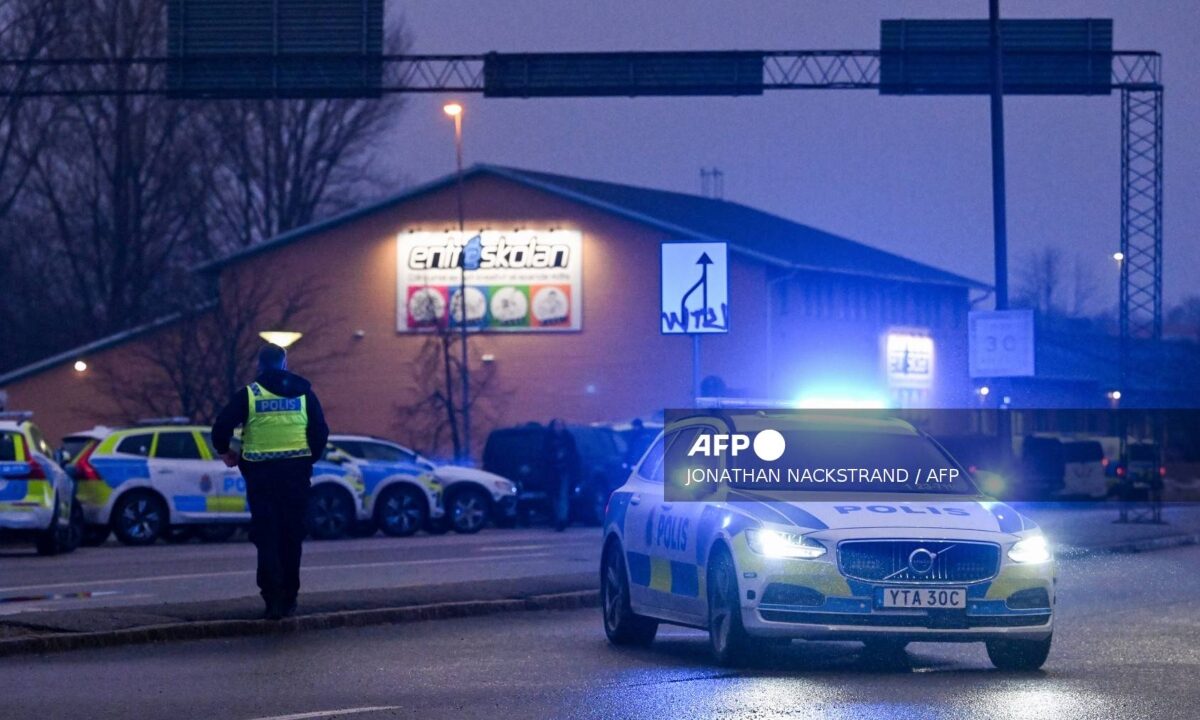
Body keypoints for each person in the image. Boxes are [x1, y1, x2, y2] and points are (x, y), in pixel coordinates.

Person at [211, 344, 328, 620]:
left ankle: (272, 600)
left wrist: (226, 452)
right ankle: (290, 597)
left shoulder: (249, 395)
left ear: (259, 366)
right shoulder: (304, 394)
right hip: (296, 476)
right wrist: (307, 459)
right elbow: (321, 430)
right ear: (284, 363)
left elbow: (221, 426)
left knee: (267, 537)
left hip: (260, 477)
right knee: (292, 536)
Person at [546, 419, 578, 532]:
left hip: (565, 470)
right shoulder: (548, 439)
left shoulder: (568, 438)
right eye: (557, 425)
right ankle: (557, 518)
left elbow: (574, 455)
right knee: (555, 496)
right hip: (552, 471)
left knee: (562, 495)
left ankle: (562, 519)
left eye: (560, 425)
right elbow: (544, 455)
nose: (559, 427)